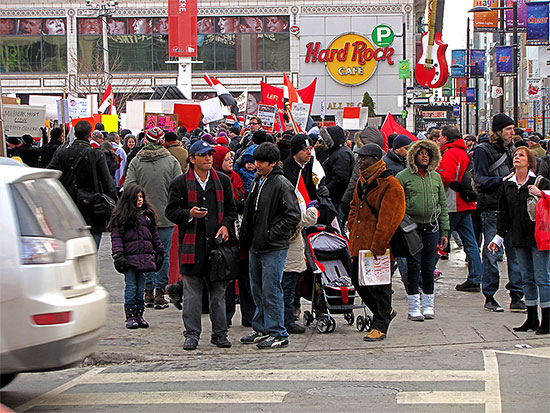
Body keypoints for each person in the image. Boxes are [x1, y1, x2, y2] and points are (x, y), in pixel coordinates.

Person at [165, 140, 237, 350]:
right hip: (192, 248)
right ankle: (192, 335)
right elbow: (171, 212)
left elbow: (231, 210)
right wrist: (189, 214)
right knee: (192, 296)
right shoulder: (180, 183)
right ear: (193, 158)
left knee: (218, 296)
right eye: (203, 155)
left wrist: (225, 226)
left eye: (210, 154)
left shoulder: (222, 181)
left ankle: (220, 334)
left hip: (217, 249)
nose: (208, 158)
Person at [239, 142, 301, 349]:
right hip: (256, 245)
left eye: (261, 162)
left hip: (273, 246)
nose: (257, 165)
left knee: (271, 289)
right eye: (256, 161)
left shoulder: (282, 184)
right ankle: (261, 327)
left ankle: (278, 332)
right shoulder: (259, 181)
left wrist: (271, 234)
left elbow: (293, 215)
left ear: (273, 163)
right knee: (257, 288)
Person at [489, 146, 550, 335]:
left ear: (529, 161)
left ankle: (547, 319)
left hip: (539, 237)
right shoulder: (508, 185)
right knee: (526, 278)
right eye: (515, 155)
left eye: (521, 155)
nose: (517, 157)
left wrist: (541, 194)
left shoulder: (540, 182)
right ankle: (531, 317)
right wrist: (498, 238)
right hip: (518, 237)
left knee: (542, 278)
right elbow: (504, 213)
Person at [348, 143, 406, 341]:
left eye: (363, 158)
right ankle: (385, 312)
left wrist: (378, 247)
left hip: (379, 246)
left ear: (374, 159)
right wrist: (351, 225)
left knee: (380, 286)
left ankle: (380, 324)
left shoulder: (391, 184)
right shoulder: (362, 181)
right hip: (359, 242)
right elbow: (354, 205)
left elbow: (389, 220)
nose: (359, 161)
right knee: (358, 280)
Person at [125, 127, 182, 310]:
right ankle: (160, 292)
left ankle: (147, 291)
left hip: (143, 217)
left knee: (146, 253)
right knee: (163, 254)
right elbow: (180, 189)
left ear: (144, 140)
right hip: (166, 217)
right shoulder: (172, 161)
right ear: (161, 141)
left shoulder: (136, 162)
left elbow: (129, 187)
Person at [473, 114, 525, 312]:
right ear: (499, 131)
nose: (513, 133)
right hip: (493, 208)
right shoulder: (482, 150)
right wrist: (503, 180)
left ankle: (517, 295)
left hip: (513, 207)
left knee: (515, 253)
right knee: (492, 254)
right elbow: (480, 180)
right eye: (509, 129)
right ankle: (490, 295)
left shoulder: (512, 149)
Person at [396, 139, 449, 321]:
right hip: (411, 229)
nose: (425, 156)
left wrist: (445, 231)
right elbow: (397, 204)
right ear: (413, 156)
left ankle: (428, 305)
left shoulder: (435, 177)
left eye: (428, 153)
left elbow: (442, 204)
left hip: (431, 227)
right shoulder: (403, 177)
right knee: (413, 266)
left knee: (428, 267)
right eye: (421, 153)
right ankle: (413, 307)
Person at [47, 120, 117, 248]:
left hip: (67, 207)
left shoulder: (62, 153)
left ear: (74, 133)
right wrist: (116, 202)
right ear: (90, 135)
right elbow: (107, 182)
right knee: (91, 251)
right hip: (93, 208)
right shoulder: (96, 154)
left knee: (70, 250)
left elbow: (49, 175)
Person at [109, 184, 164, 329]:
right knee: (131, 287)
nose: (139, 200)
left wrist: (159, 251)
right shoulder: (122, 217)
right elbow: (117, 238)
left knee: (141, 288)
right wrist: (118, 255)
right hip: (130, 259)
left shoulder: (147, 216)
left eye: (141, 196)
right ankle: (130, 315)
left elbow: (154, 236)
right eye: (136, 197)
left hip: (144, 257)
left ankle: (139, 314)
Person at [436, 126, 483, 294]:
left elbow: (445, 177)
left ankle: (424, 275)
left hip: (452, 202)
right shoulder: (463, 152)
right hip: (465, 202)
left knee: (441, 239)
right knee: (470, 243)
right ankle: (475, 278)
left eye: (440, 137)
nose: (439, 140)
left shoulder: (451, 153)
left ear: (446, 138)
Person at [322, 126, 355, 230]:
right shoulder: (337, 152)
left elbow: (341, 178)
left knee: (337, 227)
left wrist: (327, 189)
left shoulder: (341, 154)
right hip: (336, 197)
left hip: (338, 198)